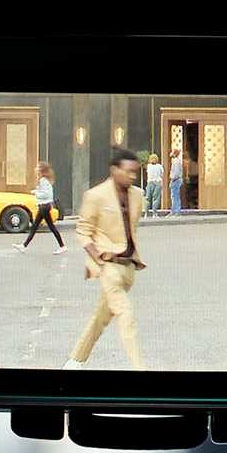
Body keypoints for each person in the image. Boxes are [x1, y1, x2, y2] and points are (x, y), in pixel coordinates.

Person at [65, 148, 147, 370]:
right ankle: (140, 369)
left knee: (100, 318)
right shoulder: (96, 195)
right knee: (126, 315)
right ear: (114, 170)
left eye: (135, 172)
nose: (132, 176)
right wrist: (98, 259)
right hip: (108, 267)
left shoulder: (137, 195)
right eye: (128, 171)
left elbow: (131, 227)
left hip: (128, 267)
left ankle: (75, 360)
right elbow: (83, 231)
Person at [14, 161, 67, 254]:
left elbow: (47, 194)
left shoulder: (43, 180)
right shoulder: (44, 180)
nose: (36, 169)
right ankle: (24, 245)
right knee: (41, 226)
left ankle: (24, 246)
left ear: (42, 170)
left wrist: (36, 193)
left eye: (38, 167)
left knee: (38, 226)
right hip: (45, 206)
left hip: (44, 206)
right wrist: (37, 191)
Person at [167, 147, 185, 216]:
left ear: (174, 154)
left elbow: (176, 173)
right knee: (174, 196)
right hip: (176, 180)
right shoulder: (176, 161)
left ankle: (176, 211)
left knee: (175, 196)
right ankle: (174, 211)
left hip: (176, 180)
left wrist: (172, 179)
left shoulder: (176, 161)